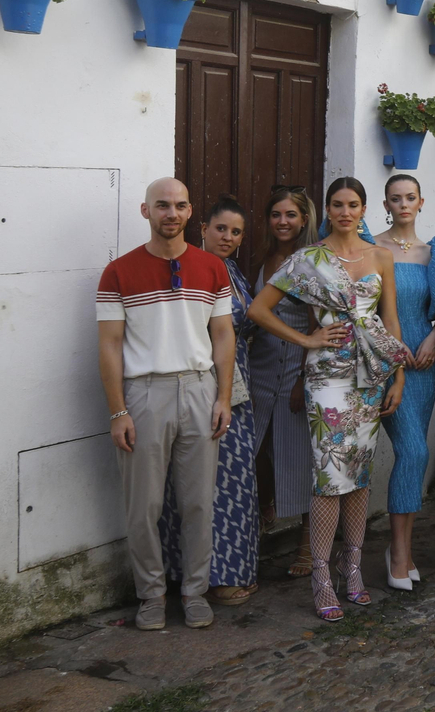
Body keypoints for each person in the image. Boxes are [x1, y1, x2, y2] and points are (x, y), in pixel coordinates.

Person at [249, 178, 408, 621]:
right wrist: (306, 337)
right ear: (326, 210)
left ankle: (351, 567)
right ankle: (321, 575)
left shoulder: (381, 256)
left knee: (358, 474)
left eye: (352, 204)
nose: (344, 211)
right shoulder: (307, 259)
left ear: (363, 209)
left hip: (370, 376)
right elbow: (257, 310)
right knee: (328, 476)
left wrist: (398, 378)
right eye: (336, 205)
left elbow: (389, 318)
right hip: (326, 377)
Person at [97, 178, 236, 631]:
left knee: (198, 503)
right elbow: (110, 346)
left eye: (178, 206)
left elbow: (223, 336)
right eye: (162, 206)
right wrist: (118, 411)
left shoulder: (212, 268)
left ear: (190, 211)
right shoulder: (117, 273)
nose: (171, 214)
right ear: (146, 211)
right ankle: (151, 596)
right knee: (144, 506)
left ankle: (194, 592)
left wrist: (224, 396)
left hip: (199, 389)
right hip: (145, 395)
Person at [157, 196, 259, 608]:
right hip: (202, 383)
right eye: (221, 229)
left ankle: (229, 574)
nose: (228, 238)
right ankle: (196, 577)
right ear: (202, 227)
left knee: (235, 480)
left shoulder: (232, 271)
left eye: (236, 232)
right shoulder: (189, 268)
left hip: (237, 386)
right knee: (197, 483)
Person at [373, 175, 435, 591]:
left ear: (421, 202)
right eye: (396, 198)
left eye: (410, 198)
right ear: (386, 203)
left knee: (415, 456)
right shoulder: (372, 247)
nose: (403, 204)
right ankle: (395, 552)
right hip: (383, 365)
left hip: (424, 363)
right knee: (412, 450)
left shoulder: (434, 254)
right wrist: (392, 352)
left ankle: (401, 550)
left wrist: (434, 336)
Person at [250, 187, 317, 578]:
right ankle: (260, 523)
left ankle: (308, 548)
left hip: (295, 366)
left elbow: (313, 324)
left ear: (303, 219)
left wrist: (302, 380)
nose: (283, 222)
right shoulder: (262, 259)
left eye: (290, 214)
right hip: (260, 370)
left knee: (300, 457)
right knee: (255, 453)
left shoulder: (307, 262)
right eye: (276, 214)